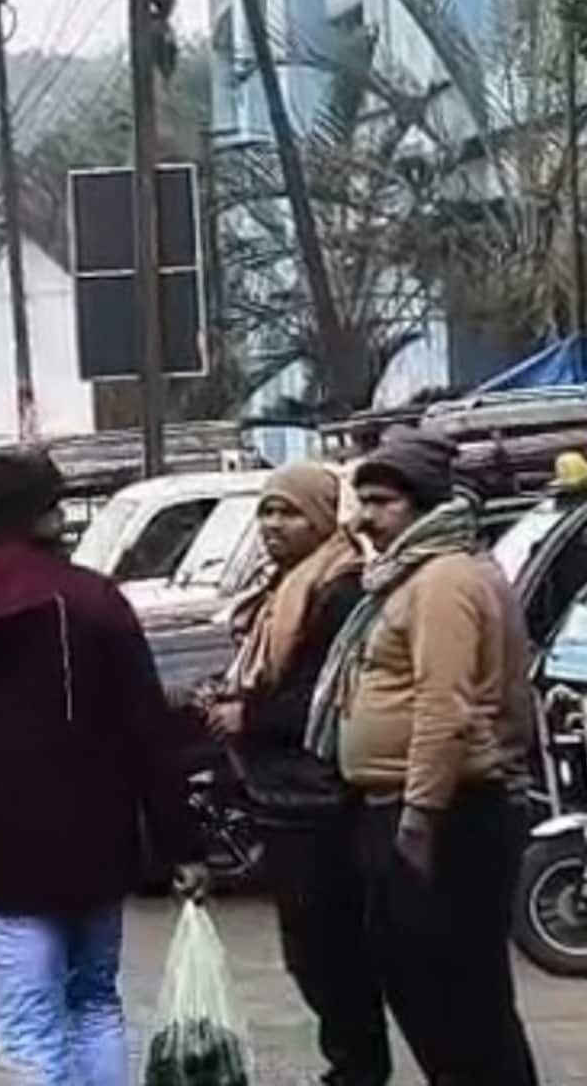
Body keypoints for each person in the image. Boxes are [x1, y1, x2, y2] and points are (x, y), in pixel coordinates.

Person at [0, 447, 201, 1086]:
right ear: (45, 515)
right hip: (99, 847)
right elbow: (148, 733)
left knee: (29, 1020)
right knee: (93, 1003)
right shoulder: (94, 601)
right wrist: (177, 843)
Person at [308, 428, 539, 1086]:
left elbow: (446, 706)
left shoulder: (444, 580)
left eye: (383, 503)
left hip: (447, 814)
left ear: (423, 505)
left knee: (453, 998)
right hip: (416, 808)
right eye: (365, 501)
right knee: (445, 993)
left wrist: (418, 818)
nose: (367, 518)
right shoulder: (413, 575)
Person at [204, 463, 386, 1086]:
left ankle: (359, 1069)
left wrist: (246, 715)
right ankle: (352, 1064)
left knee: (328, 952)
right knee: (308, 952)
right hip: (283, 794)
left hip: (322, 798)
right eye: (267, 512)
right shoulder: (285, 585)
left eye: (291, 514)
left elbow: (324, 697)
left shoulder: (340, 589)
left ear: (322, 518)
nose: (274, 526)